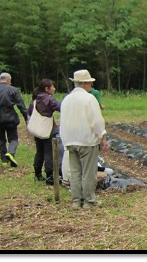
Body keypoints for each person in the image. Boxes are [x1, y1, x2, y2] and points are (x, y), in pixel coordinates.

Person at [59, 70, 109, 209]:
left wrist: (65, 140)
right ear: (86, 84)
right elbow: (96, 121)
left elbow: (62, 121)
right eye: (90, 83)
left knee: (74, 172)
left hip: (70, 140)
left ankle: (76, 201)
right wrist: (102, 137)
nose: (91, 85)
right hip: (86, 140)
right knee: (88, 172)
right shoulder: (89, 99)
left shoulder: (66, 99)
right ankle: (89, 201)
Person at [0, 73, 29, 168]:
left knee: (1, 138)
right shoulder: (13, 89)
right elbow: (20, 105)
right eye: (10, 80)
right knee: (13, 138)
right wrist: (26, 117)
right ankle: (11, 153)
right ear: (8, 80)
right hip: (11, 117)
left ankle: (4, 160)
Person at [27, 79, 61, 184]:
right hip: (49, 130)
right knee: (49, 152)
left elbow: (29, 111)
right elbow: (60, 107)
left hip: (38, 130)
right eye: (53, 87)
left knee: (39, 151)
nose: (54, 88)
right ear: (47, 89)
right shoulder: (49, 99)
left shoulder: (35, 99)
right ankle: (50, 176)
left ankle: (37, 174)